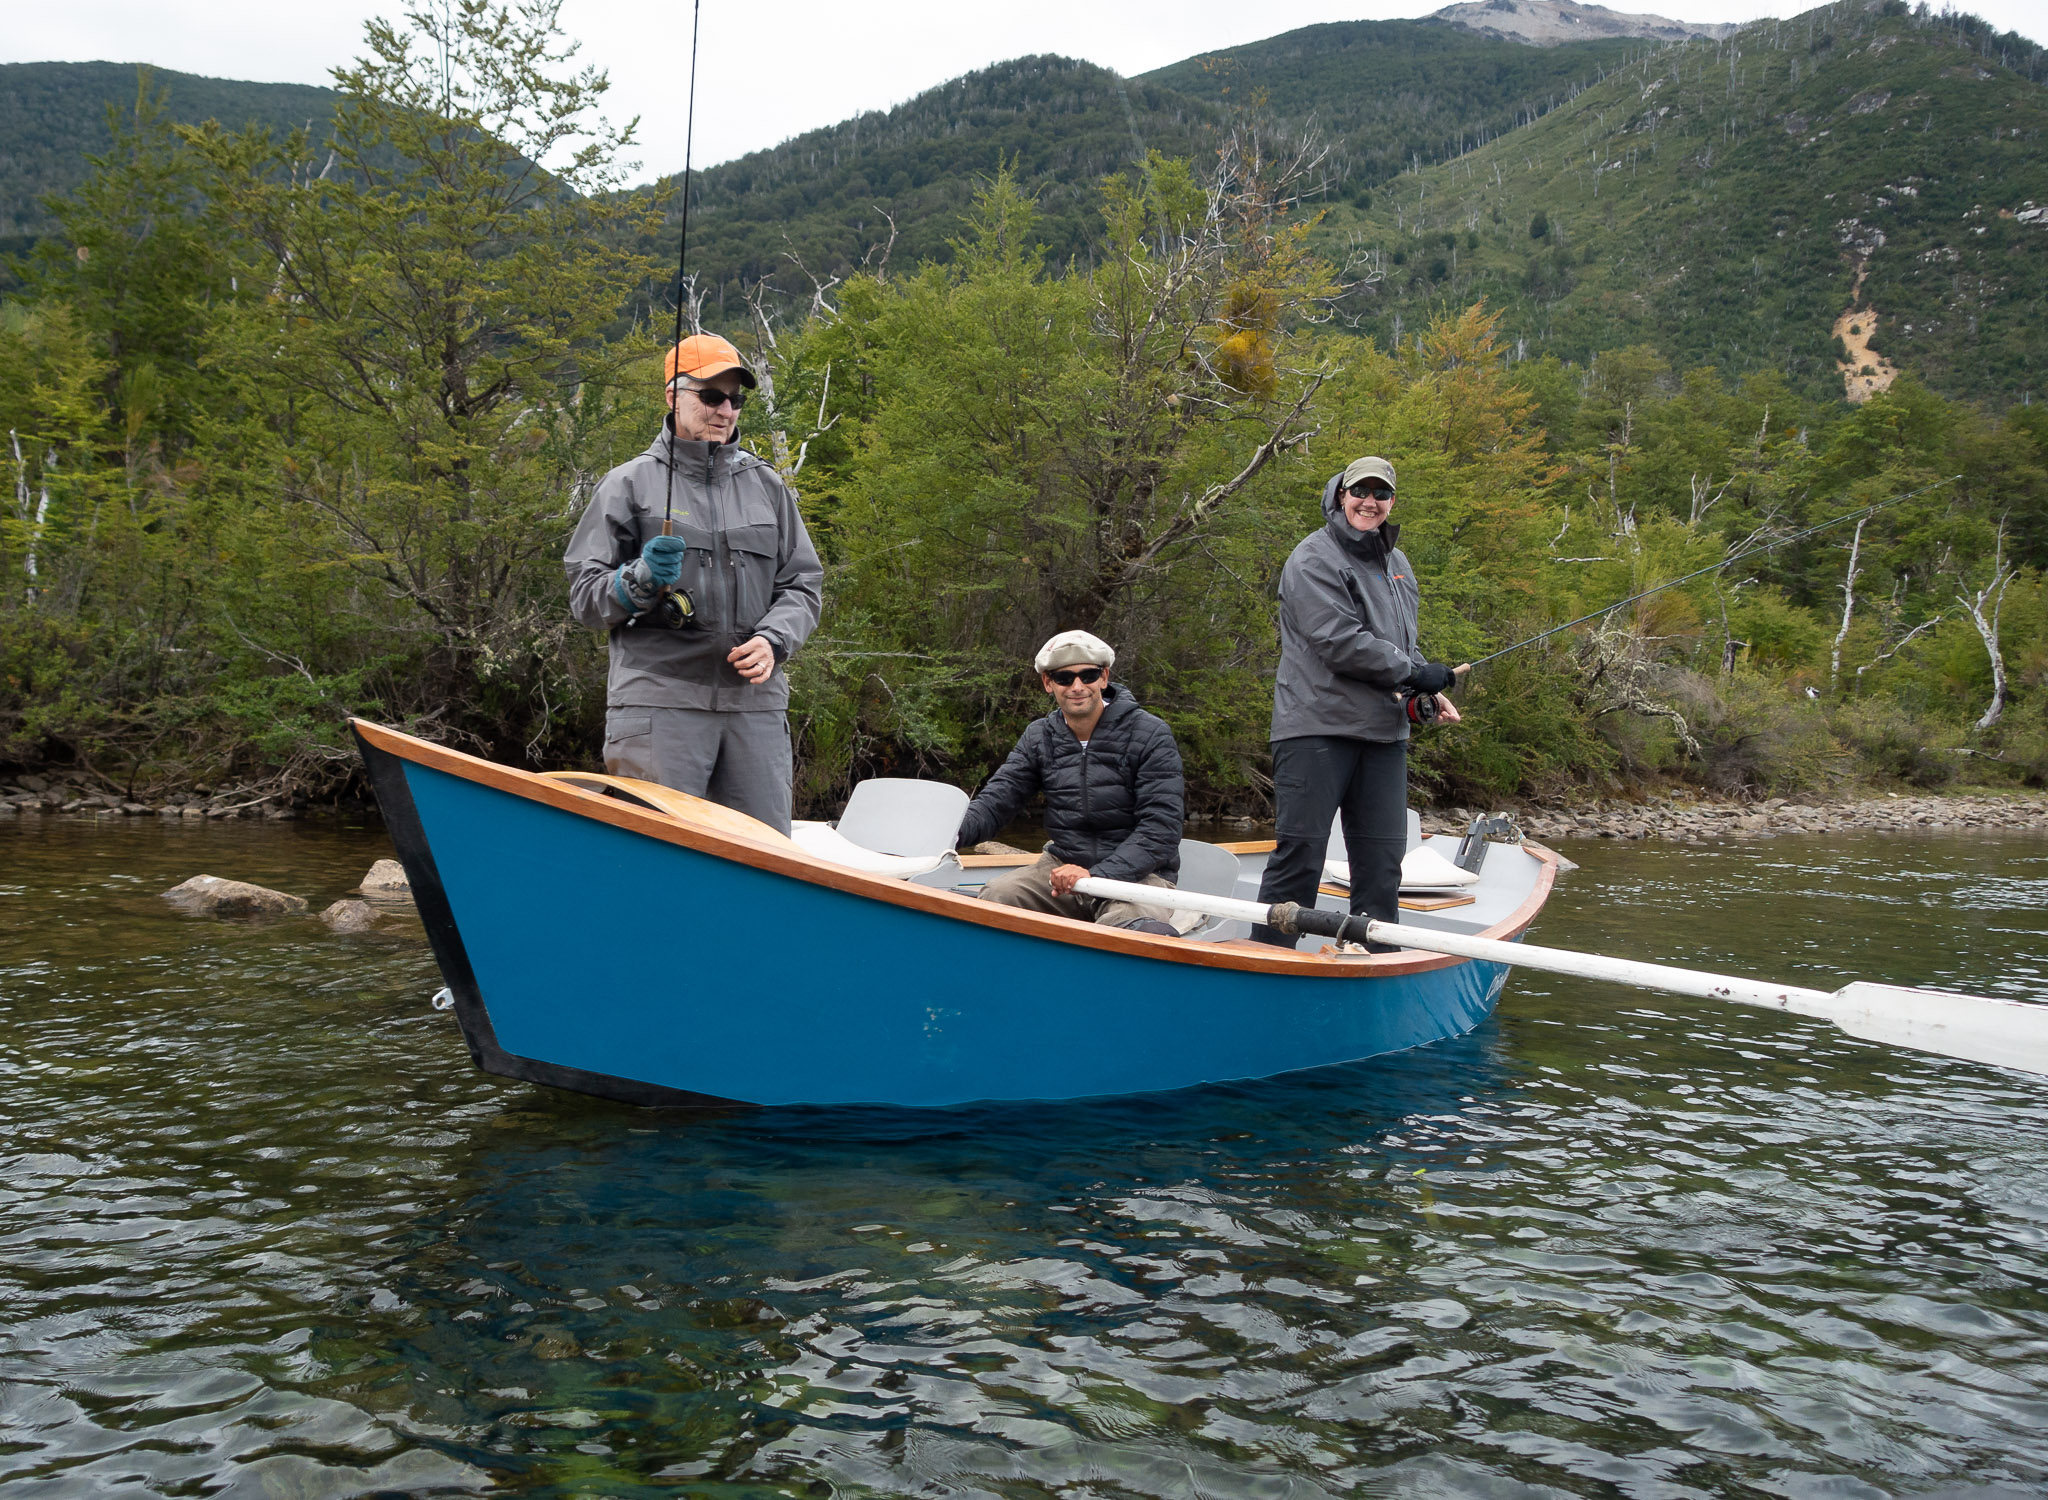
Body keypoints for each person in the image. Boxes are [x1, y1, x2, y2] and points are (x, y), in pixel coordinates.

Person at [564, 333, 823, 834]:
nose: (726, 410)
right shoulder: (627, 485)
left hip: (755, 708)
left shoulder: (767, 485)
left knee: (765, 863)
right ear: (672, 397)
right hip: (658, 706)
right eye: (710, 395)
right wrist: (637, 580)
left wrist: (774, 640)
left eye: (735, 399)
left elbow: (803, 584)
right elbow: (584, 597)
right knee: (655, 860)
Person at [1252, 456, 1466, 949]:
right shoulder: (1313, 558)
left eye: (1381, 494)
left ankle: (1373, 962)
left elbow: (1400, 645)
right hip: (1315, 728)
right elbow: (1338, 640)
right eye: (1360, 492)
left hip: (1384, 733)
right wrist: (1413, 671)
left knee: (1382, 864)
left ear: (1393, 502)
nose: (1370, 502)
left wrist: (1425, 689)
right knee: (1300, 855)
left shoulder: (1398, 564)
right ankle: (1267, 959)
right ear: (1339, 495)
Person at [954, 631, 1186, 935]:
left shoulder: (1151, 734)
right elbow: (996, 802)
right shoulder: (1039, 736)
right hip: (1060, 869)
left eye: (1087, 675)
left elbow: (1161, 829)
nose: (1077, 687)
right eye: (1064, 678)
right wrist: (945, 836)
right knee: (998, 897)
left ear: (1104, 677)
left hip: (1139, 877)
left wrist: (1094, 875)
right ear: (1048, 683)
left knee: (1130, 930)